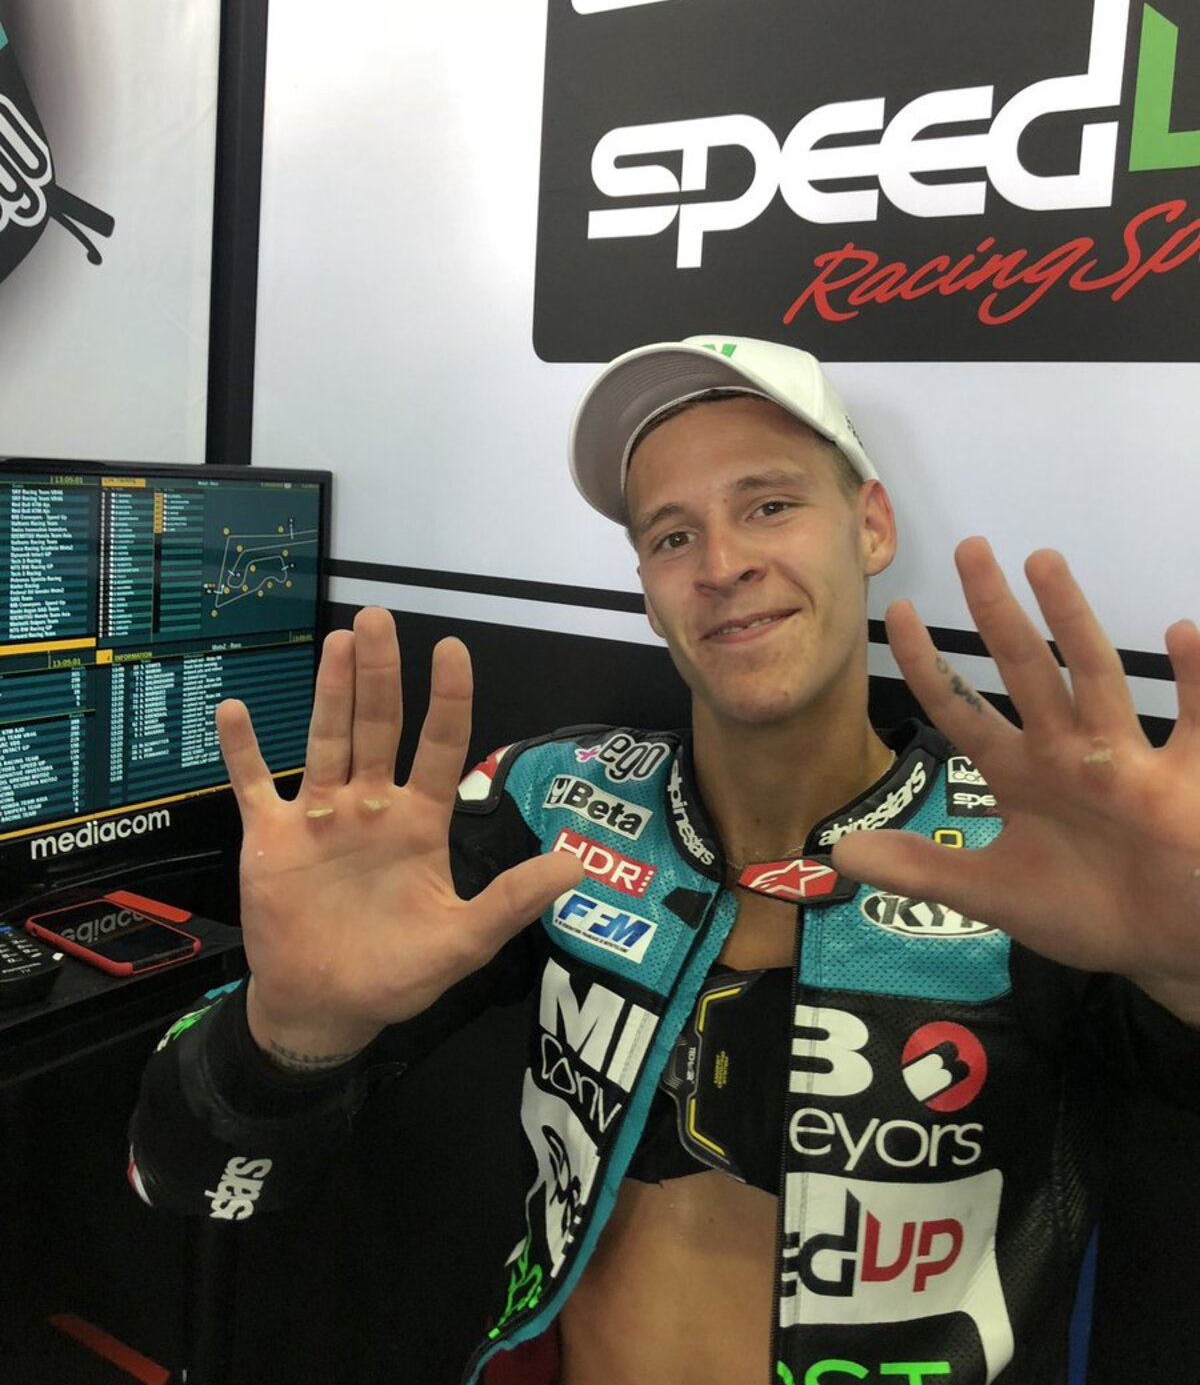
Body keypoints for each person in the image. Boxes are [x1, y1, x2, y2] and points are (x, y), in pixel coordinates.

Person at [129, 334, 1200, 1385]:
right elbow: (190, 1180)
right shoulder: (551, 801)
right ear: (646, 586)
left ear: (870, 525)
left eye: (769, 505)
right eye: (673, 535)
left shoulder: (1036, 855)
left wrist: (1190, 973)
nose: (724, 565)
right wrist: (293, 1035)